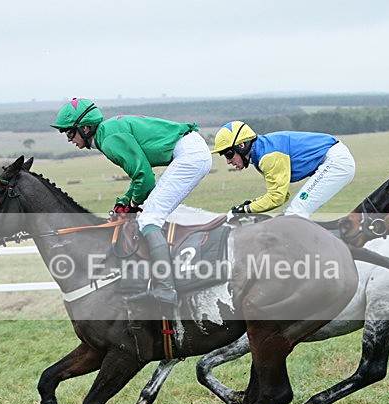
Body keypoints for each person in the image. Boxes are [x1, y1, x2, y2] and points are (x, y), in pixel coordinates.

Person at [52, 98, 212, 306]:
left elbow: (145, 178)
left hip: (189, 155)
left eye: (69, 132)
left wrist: (132, 204)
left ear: (84, 128)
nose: (68, 138)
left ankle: (165, 287)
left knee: (149, 219)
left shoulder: (109, 140)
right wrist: (127, 200)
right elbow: (141, 176)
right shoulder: (106, 133)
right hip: (190, 151)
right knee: (150, 212)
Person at [211, 121, 355, 218]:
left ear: (241, 145)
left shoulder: (268, 156)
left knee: (295, 214)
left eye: (229, 154)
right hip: (333, 158)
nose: (228, 161)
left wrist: (246, 210)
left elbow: (277, 198)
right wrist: (250, 205)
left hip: (336, 162)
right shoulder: (261, 152)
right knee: (289, 215)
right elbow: (282, 194)